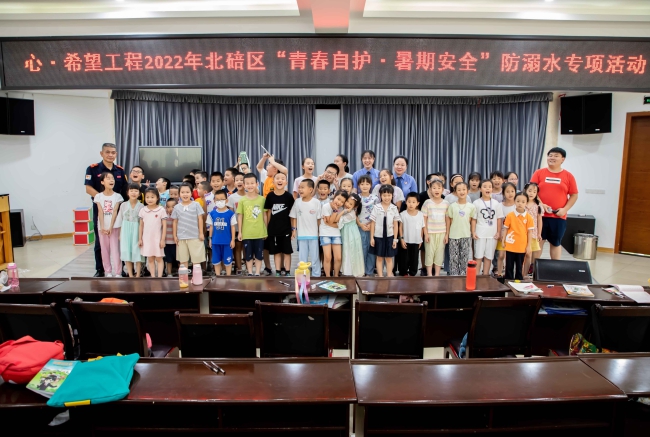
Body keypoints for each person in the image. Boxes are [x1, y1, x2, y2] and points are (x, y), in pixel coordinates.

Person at [84, 142, 127, 277]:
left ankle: (120, 269)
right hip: (100, 209)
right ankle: (100, 269)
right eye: (107, 152)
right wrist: (103, 199)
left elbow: (124, 190)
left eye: (113, 152)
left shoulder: (120, 170)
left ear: (116, 154)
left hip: (118, 210)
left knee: (118, 241)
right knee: (100, 241)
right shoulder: (93, 169)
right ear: (101, 153)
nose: (110, 155)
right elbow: (88, 188)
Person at [530, 147, 579, 260]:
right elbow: (531, 191)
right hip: (539, 215)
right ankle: (533, 267)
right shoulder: (539, 173)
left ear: (563, 159)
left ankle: (554, 267)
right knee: (538, 242)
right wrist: (541, 204)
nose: (552, 158)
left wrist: (564, 210)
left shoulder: (568, 176)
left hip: (558, 217)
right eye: (550, 155)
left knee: (556, 242)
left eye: (556, 156)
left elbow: (574, 195)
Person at [264, 172, 295, 276]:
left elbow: (292, 214)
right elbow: (268, 212)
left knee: (287, 251)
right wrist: (267, 228)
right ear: (273, 182)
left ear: (286, 182)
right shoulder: (270, 196)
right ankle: (277, 271)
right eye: (277, 178)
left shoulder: (289, 196)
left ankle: (287, 271)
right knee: (276, 251)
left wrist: (293, 229)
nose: (280, 180)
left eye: (282, 178)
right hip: (273, 230)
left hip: (286, 229)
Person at [471, 180, 504, 276]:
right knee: (478, 256)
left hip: (492, 234)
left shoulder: (496, 203)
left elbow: (499, 218)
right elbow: (474, 219)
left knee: (489, 257)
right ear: (480, 189)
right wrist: (473, 232)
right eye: (485, 186)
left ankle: (485, 276)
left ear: (492, 189)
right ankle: (476, 276)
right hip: (480, 234)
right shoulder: (476, 203)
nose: (487, 189)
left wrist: (498, 232)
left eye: (489, 187)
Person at [237, 173, 268, 276]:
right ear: (244, 185)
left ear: (257, 184)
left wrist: (266, 229)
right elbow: (240, 216)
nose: (250, 185)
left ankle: (257, 272)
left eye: (252, 183)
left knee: (259, 254)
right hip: (247, 233)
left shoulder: (262, 199)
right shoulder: (242, 200)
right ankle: (250, 272)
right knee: (248, 255)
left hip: (259, 232)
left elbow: (264, 215)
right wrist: (240, 232)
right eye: (247, 183)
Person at [290, 179, 322, 277]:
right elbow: (294, 217)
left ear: (310, 189)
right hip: (302, 235)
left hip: (314, 235)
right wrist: (294, 230)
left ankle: (316, 275)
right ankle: (302, 277)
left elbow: (319, 219)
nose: (300, 189)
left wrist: (319, 232)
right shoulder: (297, 202)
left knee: (315, 257)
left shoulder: (316, 202)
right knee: (302, 258)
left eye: (302, 187)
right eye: (299, 187)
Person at [94, 172, 124, 277]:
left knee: (116, 250)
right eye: (108, 178)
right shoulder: (98, 196)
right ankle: (108, 271)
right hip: (102, 228)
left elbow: (115, 212)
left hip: (114, 227)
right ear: (102, 182)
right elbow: (100, 212)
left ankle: (118, 272)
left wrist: (111, 227)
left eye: (112, 178)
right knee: (104, 250)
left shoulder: (118, 196)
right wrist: (102, 227)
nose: (111, 180)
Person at [369, 185, 401, 277]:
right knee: (379, 258)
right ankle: (380, 276)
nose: (387, 197)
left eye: (389, 195)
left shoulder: (394, 208)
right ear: (380, 196)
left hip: (390, 236)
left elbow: (396, 225)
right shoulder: (376, 207)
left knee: (389, 258)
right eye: (384, 195)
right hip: (378, 236)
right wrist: (372, 238)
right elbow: (372, 223)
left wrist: (395, 239)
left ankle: (389, 275)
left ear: (392, 196)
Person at [172, 183, 206, 268]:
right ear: (179, 194)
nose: (185, 194)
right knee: (183, 261)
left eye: (187, 192)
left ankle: (197, 276)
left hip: (195, 236)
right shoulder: (176, 207)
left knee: (196, 260)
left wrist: (201, 233)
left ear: (191, 193)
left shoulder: (196, 205)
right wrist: (175, 236)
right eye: (182, 192)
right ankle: (184, 276)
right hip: (181, 237)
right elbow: (175, 222)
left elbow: (200, 219)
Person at [502, 192, 534, 280]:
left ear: (526, 203)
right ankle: (508, 281)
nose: (520, 203)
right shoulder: (510, 215)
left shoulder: (529, 217)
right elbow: (506, 229)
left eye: (523, 202)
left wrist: (528, 246)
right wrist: (503, 240)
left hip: (521, 246)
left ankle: (518, 281)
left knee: (519, 266)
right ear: (514, 201)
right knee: (509, 265)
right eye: (518, 201)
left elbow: (530, 232)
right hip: (510, 244)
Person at [447, 182, 476, 276]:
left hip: (466, 235)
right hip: (453, 236)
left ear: (468, 191)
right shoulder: (452, 206)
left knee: (464, 257)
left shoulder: (471, 206)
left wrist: (473, 232)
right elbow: (449, 221)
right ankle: (454, 276)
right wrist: (447, 234)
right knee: (453, 258)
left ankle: (463, 276)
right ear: (455, 192)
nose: (461, 192)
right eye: (459, 190)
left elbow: (472, 220)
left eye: (464, 189)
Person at [422, 180, 449, 277]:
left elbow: (447, 220)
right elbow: (424, 219)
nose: (436, 190)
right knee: (429, 254)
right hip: (430, 233)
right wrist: (426, 233)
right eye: (434, 188)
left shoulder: (446, 203)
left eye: (439, 188)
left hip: (442, 233)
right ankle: (429, 274)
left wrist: (447, 234)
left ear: (442, 189)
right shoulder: (427, 203)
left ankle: (437, 274)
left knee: (439, 254)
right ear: (430, 190)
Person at [138, 188, 167, 278]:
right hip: (147, 239)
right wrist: (140, 239)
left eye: (152, 197)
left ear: (157, 198)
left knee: (159, 258)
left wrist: (163, 240)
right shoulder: (143, 210)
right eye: (147, 197)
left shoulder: (161, 210)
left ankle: (160, 276)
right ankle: (153, 276)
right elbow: (141, 226)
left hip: (157, 238)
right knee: (150, 259)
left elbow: (164, 226)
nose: (149, 199)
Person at [207, 191, 236, 276]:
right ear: (214, 201)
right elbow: (211, 227)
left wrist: (233, 240)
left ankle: (228, 276)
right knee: (216, 261)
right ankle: (218, 276)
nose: (220, 201)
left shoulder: (231, 214)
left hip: (227, 242)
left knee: (228, 261)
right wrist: (210, 239)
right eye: (217, 200)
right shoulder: (212, 213)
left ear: (226, 200)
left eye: (222, 199)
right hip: (215, 242)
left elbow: (233, 227)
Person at [119, 183, 145, 277]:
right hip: (125, 231)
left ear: (139, 193)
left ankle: (137, 275)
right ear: (127, 192)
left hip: (137, 231)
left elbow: (142, 222)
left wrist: (141, 236)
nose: (133, 193)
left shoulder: (141, 206)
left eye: (136, 191)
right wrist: (120, 234)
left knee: (137, 252)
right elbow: (120, 220)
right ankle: (130, 275)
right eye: (131, 191)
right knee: (127, 252)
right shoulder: (123, 205)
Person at [320, 190, 349, 277]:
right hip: (325, 234)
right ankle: (328, 277)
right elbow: (331, 221)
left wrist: (330, 223)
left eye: (342, 202)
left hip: (336, 234)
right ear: (335, 196)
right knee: (327, 257)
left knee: (338, 258)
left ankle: (336, 276)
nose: (339, 202)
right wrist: (335, 211)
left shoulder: (342, 209)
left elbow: (332, 222)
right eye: (338, 199)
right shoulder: (326, 206)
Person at [398, 192, 426, 277]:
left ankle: (412, 272)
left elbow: (422, 228)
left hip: (416, 240)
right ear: (406, 202)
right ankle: (403, 272)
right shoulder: (403, 214)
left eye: (414, 202)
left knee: (414, 258)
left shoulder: (420, 215)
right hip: (405, 240)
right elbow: (400, 227)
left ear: (417, 203)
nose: (411, 204)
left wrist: (421, 240)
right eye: (409, 201)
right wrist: (401, 239)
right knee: (404, 257)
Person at [356, 175, 378, 277]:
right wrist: (360, 224)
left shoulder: (375, 198)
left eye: (367, 184)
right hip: (359, 227)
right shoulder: (356, 197)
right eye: (362, 184)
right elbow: (354, 213)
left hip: (372, 227)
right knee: (361, 249)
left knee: (371, 249)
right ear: (358, 185)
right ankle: (361, 270)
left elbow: (377, 213)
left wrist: (371, 224)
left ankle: (369, 271)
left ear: (371, 185)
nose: (365, 186)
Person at [338, 193, 364, 277]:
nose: (347, 204)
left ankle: (349, 271)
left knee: (349, 250)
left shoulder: (351, 214)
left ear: (355, 206)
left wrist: (343, 211)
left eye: (351, 204)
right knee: (346, 250)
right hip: (347, 233)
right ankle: (345, 270)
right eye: (347, 201)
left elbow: (338, 221)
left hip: (351, 234)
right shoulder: (347, 211)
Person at [495, 182, 517, 276]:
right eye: (507, 191)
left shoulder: (516, 206)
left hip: (513, 235)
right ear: (503, 193)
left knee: (511, 256)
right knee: (501, 255)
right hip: (502, 234)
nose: (510, 194)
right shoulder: (499, 205)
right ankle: (499, 273)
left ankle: (509, 274)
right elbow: (498, 220)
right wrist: (499, 232)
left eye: (512, 191)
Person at [523, 182, 544, 277]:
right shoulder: (522, 202)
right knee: (521, 254)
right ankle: (520, 273)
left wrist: (539, 233)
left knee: (529, 254)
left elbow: (539, 220)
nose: (532, 193)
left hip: (533, 233)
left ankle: (525, 274)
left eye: (534, 192)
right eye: (530, 191)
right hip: (521, 233)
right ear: (525, 191)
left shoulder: (538, 205)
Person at [227, 172, 246, 274]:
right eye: (237, 180)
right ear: (234, 183)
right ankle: (239, 268)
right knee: (237, 248)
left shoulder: (250, 196)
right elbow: (231, 214)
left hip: (248, 227)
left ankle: (248, 267)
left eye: (241, 180)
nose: (239, 182)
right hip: (237, 228)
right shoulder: (232, 198)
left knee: (247, 248)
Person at [163, 198, 178, 277]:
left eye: (173, 207)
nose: (170, 209)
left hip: (176, 242)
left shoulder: (178, 216)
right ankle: (169, 273)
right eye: (168, 207)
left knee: (179, 259)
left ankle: (181, 273)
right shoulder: (164, 216)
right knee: (168, 260)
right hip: (167, 242)